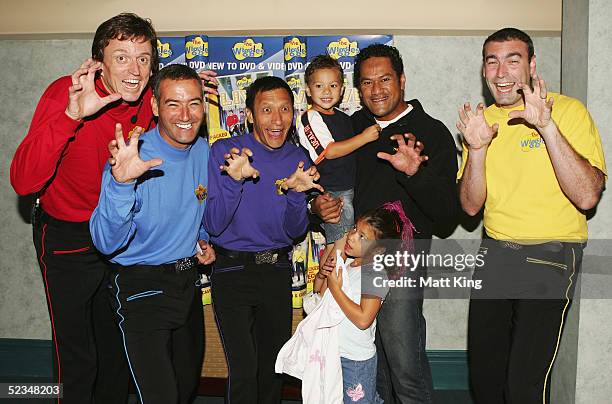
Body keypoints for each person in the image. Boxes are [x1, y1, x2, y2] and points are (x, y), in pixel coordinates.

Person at [9, 13, 218, 403]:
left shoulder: (145, 102)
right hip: (69, 236)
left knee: (118, 354)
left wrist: (188, 100)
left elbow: (181, 160)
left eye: (143, 58)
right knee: (76, 357)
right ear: (97, 62)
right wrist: (73, 115)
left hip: (124, 238)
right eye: (121, 57)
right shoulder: (67, 94)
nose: (134, 70)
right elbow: (23, 181)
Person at [457, 28, 606, 403]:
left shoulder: (567, 111)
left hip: (550, 255)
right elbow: (471, 206)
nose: (501, 71)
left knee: (525, 383)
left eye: (513, 60)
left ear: (532, 65)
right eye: (492, 61)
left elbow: (588, 196)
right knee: (485, 377)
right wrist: (476, 150)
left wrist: (546, 126)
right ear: (484, 70)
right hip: (495, 254)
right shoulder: (481, 122)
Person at [312, 43, 459, 403]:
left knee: (403, 362)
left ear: (402, 80)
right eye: (366, 82)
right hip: (353, 254)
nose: (376, 90)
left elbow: (447, 216)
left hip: (400, 258)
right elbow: (327, 183)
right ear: (357, 89)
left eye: (384, 79)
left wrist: (414, 174)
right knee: (366, 363)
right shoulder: (352, 128)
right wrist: (317, 207)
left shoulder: (431, 132)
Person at [89, 63, 214, 404]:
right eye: (173, 103)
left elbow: (195, 205)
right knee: (161, 396)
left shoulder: (203, 151)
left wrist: (200, 237)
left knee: (186, 389)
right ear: (156, 107)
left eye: (193, 102)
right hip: (141, 286)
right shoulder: (133, 157)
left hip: (186, 282)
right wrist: (121, 184)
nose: (185, 114)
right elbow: (105, 242)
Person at [203, 76, 323, 404]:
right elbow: (213, 224)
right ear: (250, 115)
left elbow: (295, 232)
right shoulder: (225, 152)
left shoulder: (297, 159)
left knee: (273, 368)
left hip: (276, 272)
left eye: (284, 109)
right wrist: (234, 181)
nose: (277, 119)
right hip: (231, 271)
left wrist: (297, 194)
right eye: (266, 109)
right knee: (244, 369)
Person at [316, 201, 414, 404]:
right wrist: (324, 275)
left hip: (355, 361)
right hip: (336, 352)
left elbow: (363, 319)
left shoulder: (374, 273)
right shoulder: (352, 263)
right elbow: (320, 295)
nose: (352, 237)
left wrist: (335, 287)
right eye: (354, 229)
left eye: (362, 237)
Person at [296, 54, 380, 263]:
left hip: (348, 189)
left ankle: (321, 291)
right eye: (319, 86)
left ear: (342, 89)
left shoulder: (343, 118)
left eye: (333, 85)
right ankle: (324, 291)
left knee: (337, 246)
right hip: (333, 191)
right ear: (308, 89)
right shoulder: (310, 117)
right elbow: (329, 151)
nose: (326, 92)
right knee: (340, 248)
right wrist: (364, 138)